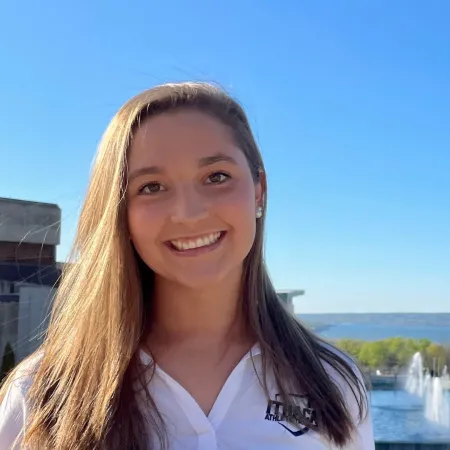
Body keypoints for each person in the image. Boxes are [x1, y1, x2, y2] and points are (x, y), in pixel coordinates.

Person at [0, 82, 375, 449]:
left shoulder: (334, 382)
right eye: (151, 186)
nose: (188, 214)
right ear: (121, 213)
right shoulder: (42, 395)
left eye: (216, 177)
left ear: (258, 191)